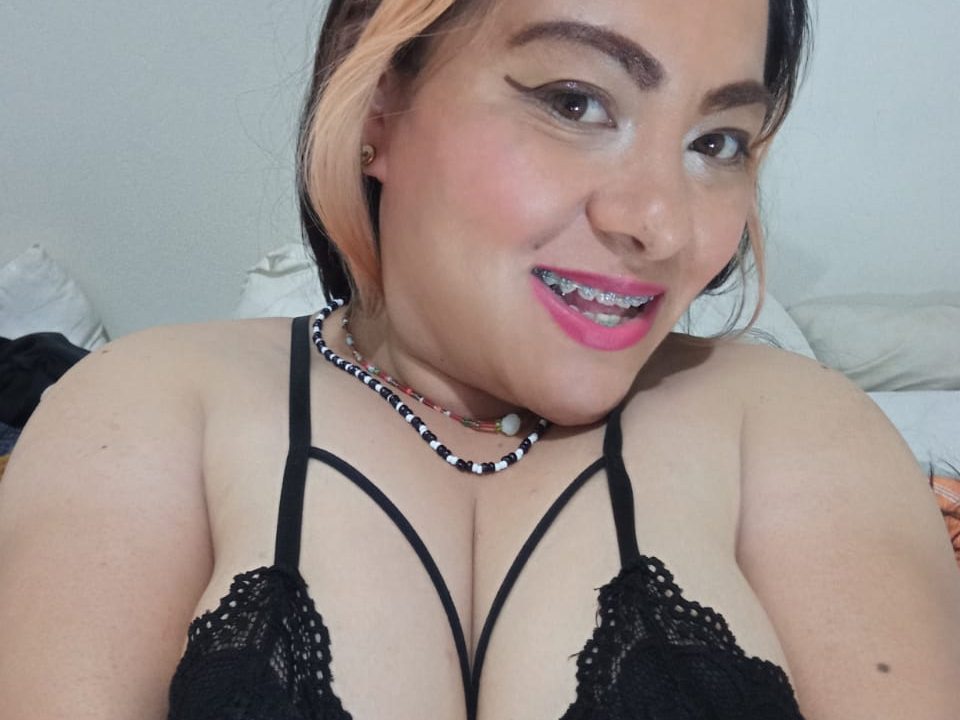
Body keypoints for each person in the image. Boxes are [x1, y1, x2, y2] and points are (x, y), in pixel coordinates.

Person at [1, 0, 958, 718]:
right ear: (379, 108)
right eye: (576, 102)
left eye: (717, 142)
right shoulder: (149, 405)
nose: (661, 225)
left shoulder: (797, 423)